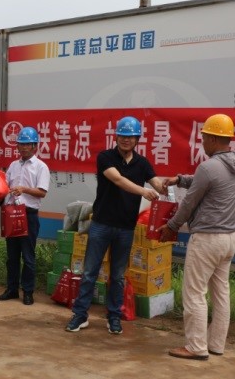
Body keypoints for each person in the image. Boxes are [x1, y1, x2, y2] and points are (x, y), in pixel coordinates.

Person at [65, 116, 162, 335]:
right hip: (101, 224)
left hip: (126, 228)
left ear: (137, 139)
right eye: (122, 136)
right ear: (116, 137)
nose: (126, 140)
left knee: (117, 276)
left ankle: (114, 316)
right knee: (90, 272)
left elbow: (156, 182)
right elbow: (117, 179)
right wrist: (144, 191)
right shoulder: (105, 157)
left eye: (130, 137)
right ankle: (80, 315)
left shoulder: (142, 163)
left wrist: (168, 185)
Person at [160, 114, 235, 360]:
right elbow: (205, 182)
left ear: (213, 139)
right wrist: (180, 179)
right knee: (221, 294)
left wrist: (171, 226)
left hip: (207, 239)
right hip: (228, 238)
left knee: (194, 293)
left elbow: (189, 202)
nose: (202, 142)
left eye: (205, 138)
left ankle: (196, 347)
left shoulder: (208, 167)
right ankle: (216, 344)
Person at [0, 127, 49, 305]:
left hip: (28, 214)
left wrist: (24, 189)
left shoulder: (41, 167)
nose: (24, 147)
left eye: (28, 144)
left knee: (28, 256)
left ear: (35, 146)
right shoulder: (13, 165)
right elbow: (5, 186)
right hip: (12, 213)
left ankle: (28, 291)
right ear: (17, 146)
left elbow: (42, 192)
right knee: (12, 255)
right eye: (21, 144)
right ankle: (12, 289)